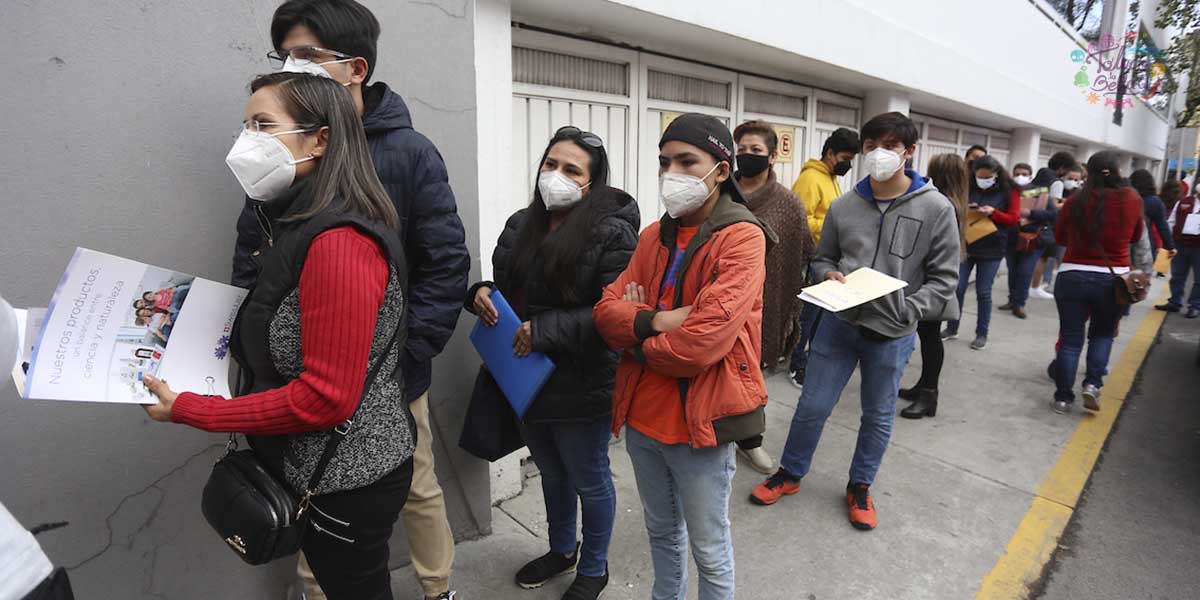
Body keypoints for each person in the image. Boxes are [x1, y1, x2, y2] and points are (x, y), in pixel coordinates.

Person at [228, 3, 469, 599]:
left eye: (307, 55)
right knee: (310, 487)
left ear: (355, 68)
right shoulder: (280, 158)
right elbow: (250, 257)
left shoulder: (408, 153)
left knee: (415, 484)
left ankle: (438, 588)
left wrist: (403, 359)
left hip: (388, 379)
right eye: (283, 53)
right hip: (298, 382)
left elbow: (444, 265)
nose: (291, 66)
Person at [142, 72, 414, 599]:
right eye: (246, 126)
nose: (247, 142)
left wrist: (193, 409)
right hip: (314, 464)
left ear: (321, 138)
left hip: (347, 479)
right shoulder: (293, 222)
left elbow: (326, 399)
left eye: (264, 125)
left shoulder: (338, 242)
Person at [749, 112, 959, 531]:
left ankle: (860, 486)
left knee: (877, 415)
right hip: (839, 323)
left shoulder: (936, 209)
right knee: (812, 406)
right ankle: (790, 473)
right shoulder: (845, 205)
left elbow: (944, 279)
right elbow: (823, 256)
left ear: (909, 152)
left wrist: (910, 308)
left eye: (889, 146)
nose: (878, 154)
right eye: (871, 146)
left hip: (892, 333)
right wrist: (827, 273)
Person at [594, 113, 774, 600]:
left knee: (709, 549)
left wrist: (634, 324)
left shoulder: (742, 237)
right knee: (660, 534)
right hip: (642, 421)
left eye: (686, 160)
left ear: (721, 170)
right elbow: (605, 312)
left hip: (699, 427)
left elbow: (701, 345)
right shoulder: (654, 235)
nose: (671, 171)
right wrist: (655, 320)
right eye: (664, 161)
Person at [466, 126, 637, 600]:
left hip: (581, 381)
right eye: (550, 164)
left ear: (592, 183)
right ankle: (563, 549)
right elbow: (511, 288)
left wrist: (546, 332)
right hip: (523, 378)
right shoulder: (522, 223)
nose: (555, 176)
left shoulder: (612, 232)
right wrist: (479, 293)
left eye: (571, 169)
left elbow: (616, 311)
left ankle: (594, 568)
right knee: (551, 470)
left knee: (589, 476)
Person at [732, 120, 816, 474]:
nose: (747, 156)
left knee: (751, 377)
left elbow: (803, 254)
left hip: (765, 304)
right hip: (715, 297)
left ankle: (750, 441)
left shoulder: (788, 204)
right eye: (742, 150)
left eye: (755, 151)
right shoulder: (719, 190)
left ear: (772, 156)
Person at [1050, 151, 1147, 413]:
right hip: (1113, 278)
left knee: (1070, 340)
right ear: (1117, 171)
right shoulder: (1132, 199)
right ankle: (1092, 386)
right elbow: (1137, 235)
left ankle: (1062, 398)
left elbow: (1060, 237)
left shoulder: (1075, 201)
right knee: (1103, 334)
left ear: (1088, 173)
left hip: (1072, 274)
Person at [788, 127, 860, 389]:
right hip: (811, 258)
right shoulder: (811, 178)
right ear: (830, 153)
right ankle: (797, 364)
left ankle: (805, 358)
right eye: (845, 158)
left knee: (818, 315)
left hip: (825, 258)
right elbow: (799, 219)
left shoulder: (829, 177)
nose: (848, 164)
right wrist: (832, 224)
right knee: (808, 316)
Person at [898, 153, 968, 419]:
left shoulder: (942, 204)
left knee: (930, 336)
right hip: (930, 279)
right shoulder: (954, 201)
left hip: (931, 282)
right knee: (929, 336)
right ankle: (924, 386)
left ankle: (929, 394)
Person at [943, 155, 1020, 349]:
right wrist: (967, 209)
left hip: (992, 247)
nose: (983, 180)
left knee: (983, 291)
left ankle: (981, 334)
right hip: (967, 244)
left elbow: (1013, 219)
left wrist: (993, 212)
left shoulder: (1009, 190)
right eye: (980, 176)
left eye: (988, 177)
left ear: (996, 174)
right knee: (958, 288)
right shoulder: (968, 186)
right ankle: (952, 327)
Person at [998, 164, 1057, 319]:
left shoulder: (1040, 193)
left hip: (1033, 239)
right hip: (1012, 238)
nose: (1020, 177)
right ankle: (1012, 300)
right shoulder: (1007, 192)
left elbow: (1052, 214)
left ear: (1030, 176)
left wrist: (1031, 213)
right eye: (1017, 173)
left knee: (1025, 271)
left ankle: (1019, 304)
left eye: (1024, 174)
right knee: (1013, 271)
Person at [1031, 153, 1081, 298]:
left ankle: (1031, 286)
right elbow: (1054, 205)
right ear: (1062, 168)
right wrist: (1067, 203)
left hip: (1033, 219)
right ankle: (1035, 286)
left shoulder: (1041, 175)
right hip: (1049, 224)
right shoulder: (1056, 182)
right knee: (1044, 257)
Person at [1155, 182, 1200, 318]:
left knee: (1199, 279)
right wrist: (1170, 241)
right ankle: (1175, 301)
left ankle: (1195, 305)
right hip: (1181, 244)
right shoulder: (1183, 202)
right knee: (1177, 276)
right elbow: (1171, 221)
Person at [1130, 169, 1175, 260]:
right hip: (1145, 244)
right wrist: (1170, 247)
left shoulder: (1127, 198)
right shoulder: (1154, 202)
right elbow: (1163, 227)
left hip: (1124, 242)